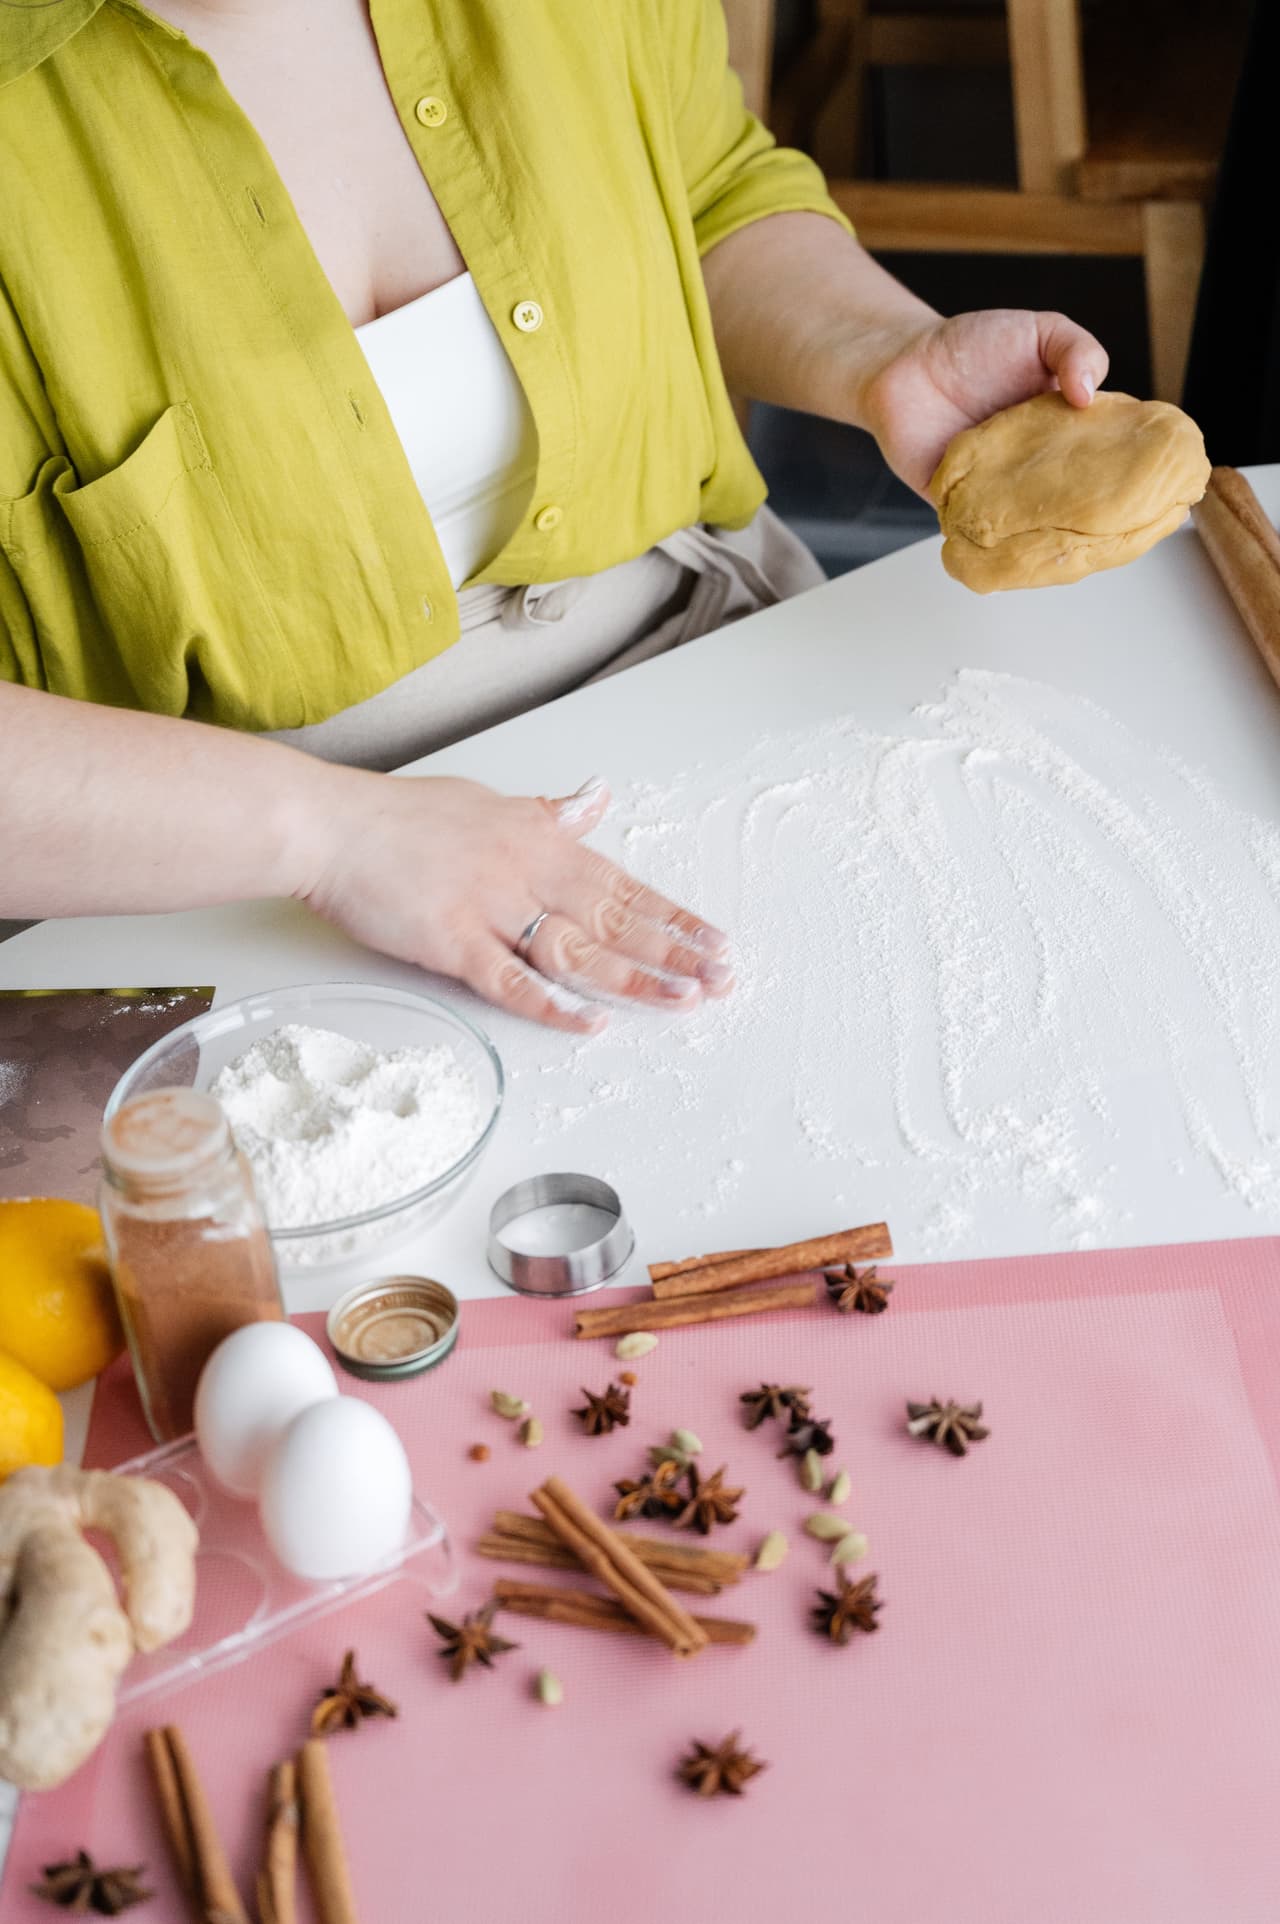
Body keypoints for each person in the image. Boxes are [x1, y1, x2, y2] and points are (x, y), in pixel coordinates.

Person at [0, 0, 1108, 1029]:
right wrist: (333, 838)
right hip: (219, 872)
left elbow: (707, 190)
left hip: (703, 657)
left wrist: (881, 354)